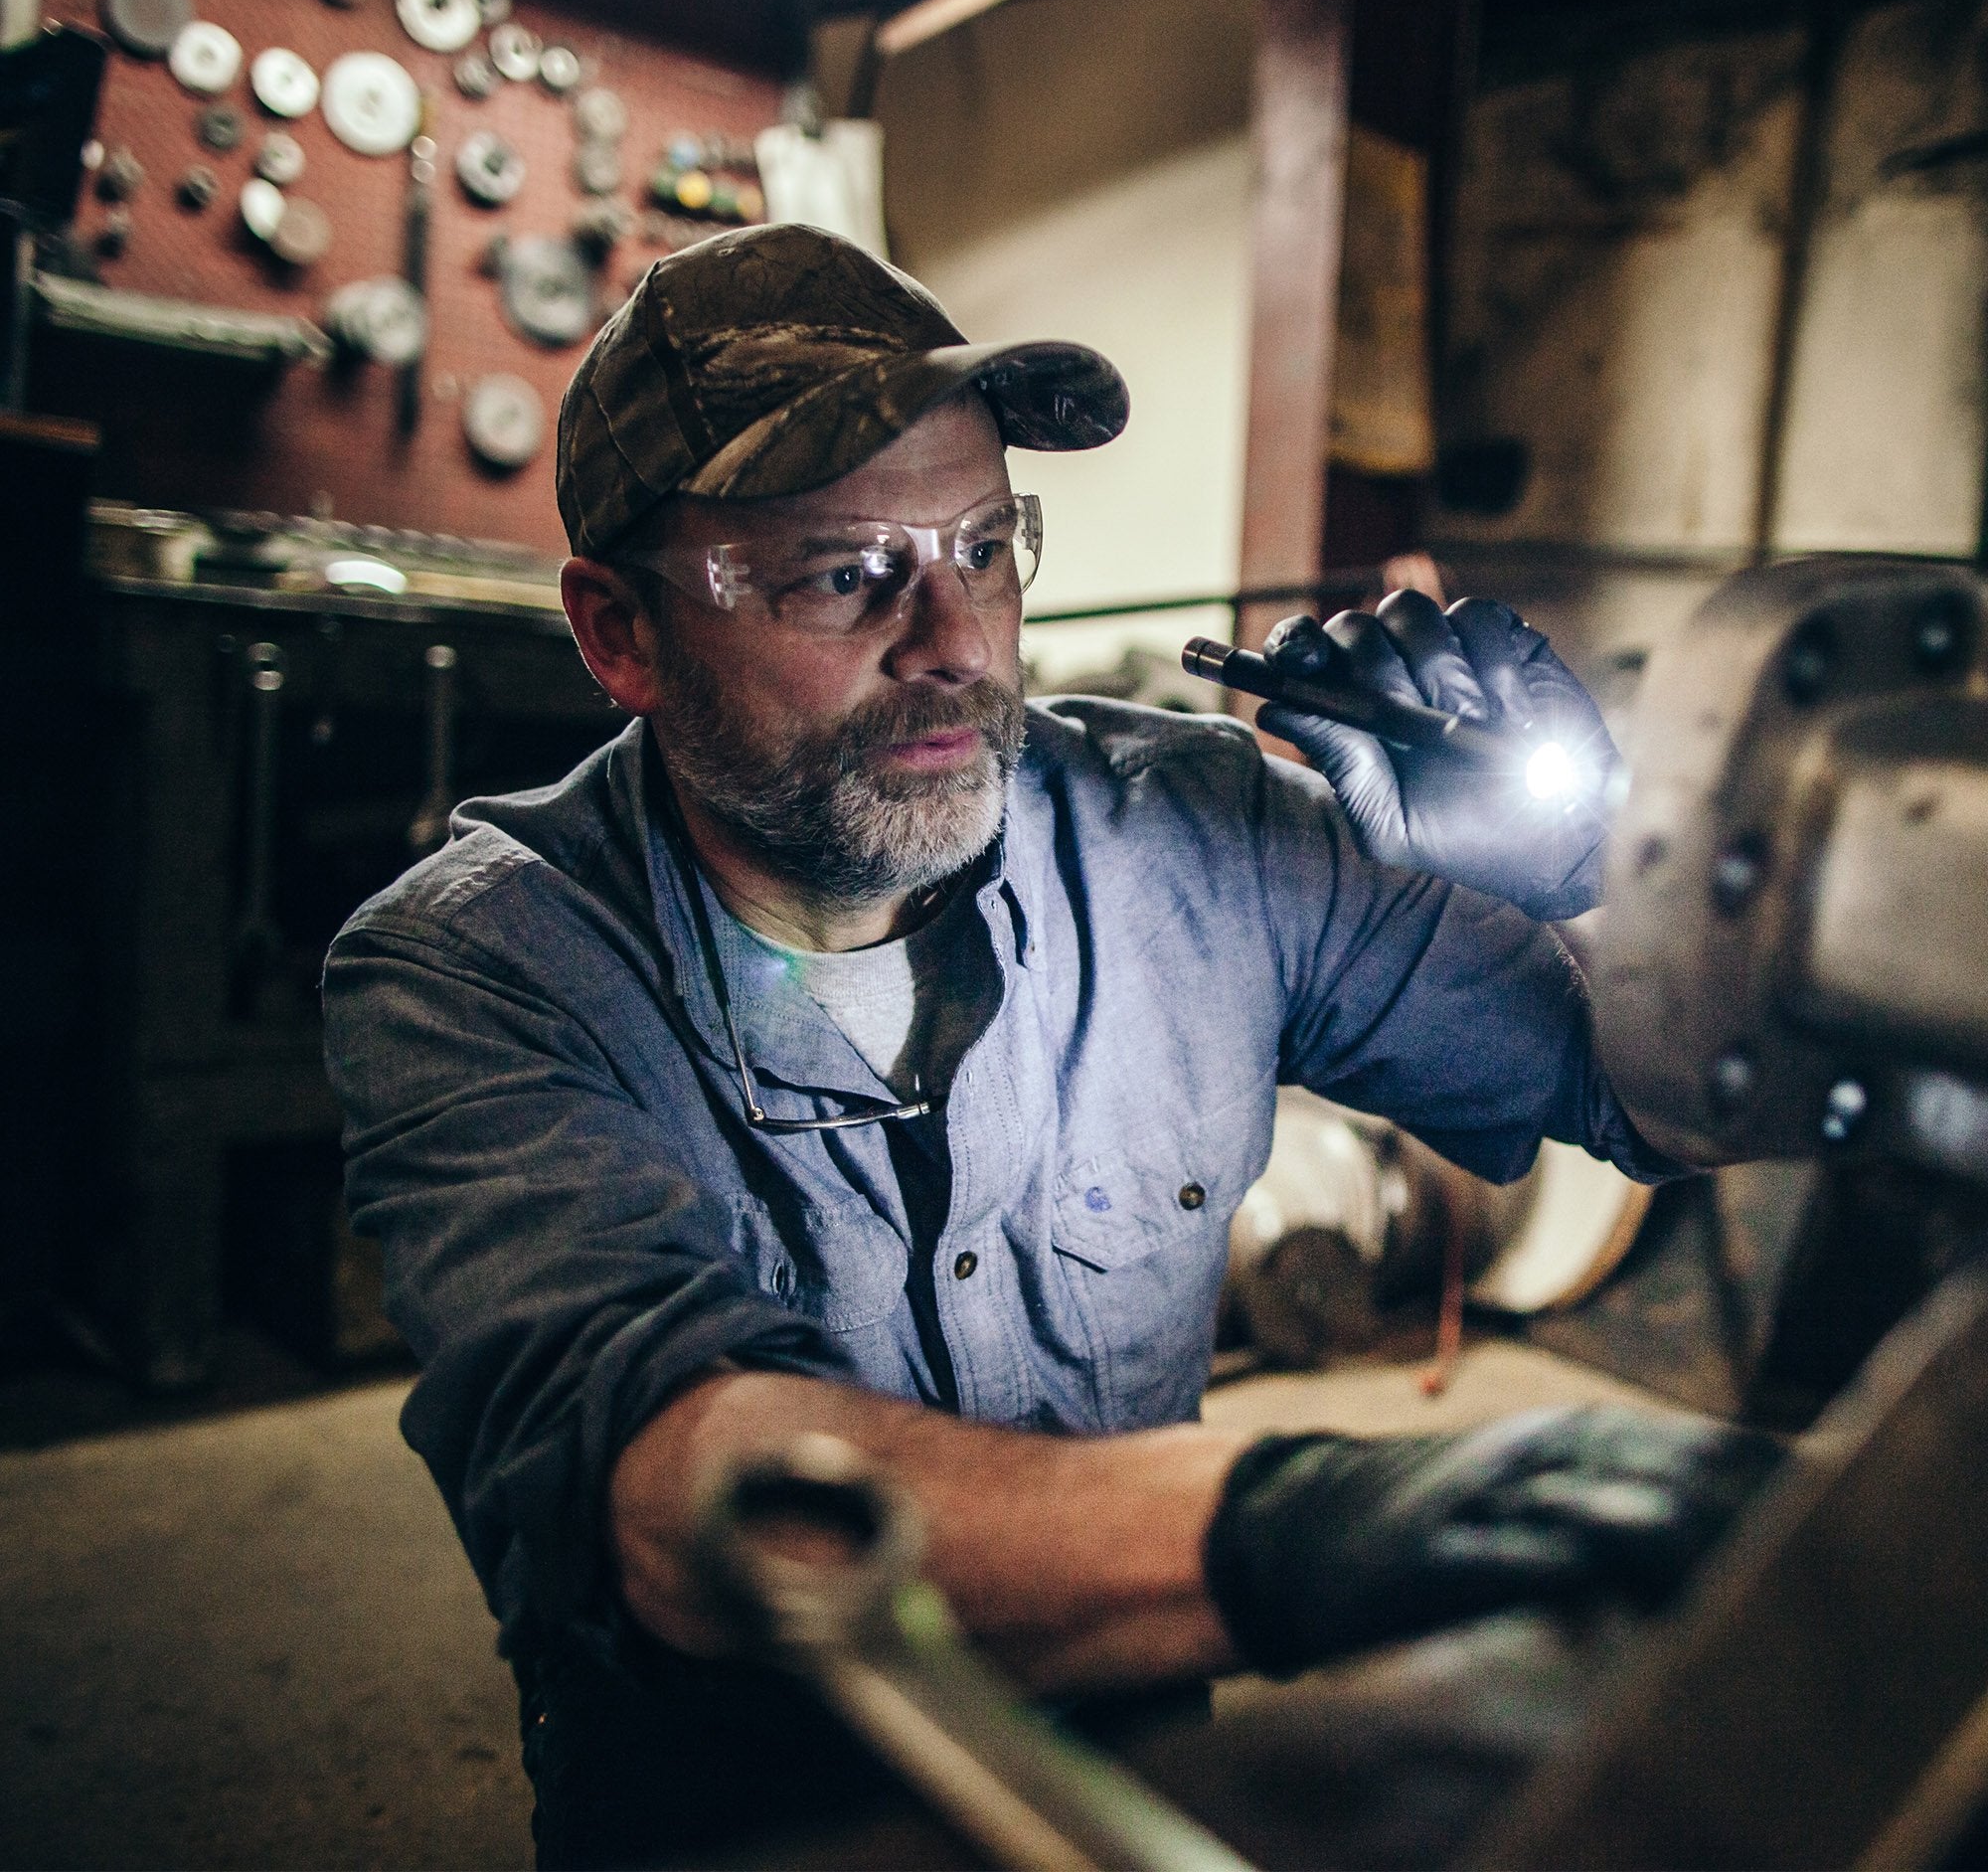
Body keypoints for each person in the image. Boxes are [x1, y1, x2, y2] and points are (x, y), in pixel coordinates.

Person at [322, 223, 1777, 1868]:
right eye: (842, 573)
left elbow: (1671, 1101)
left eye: (982, 547)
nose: (952, 639)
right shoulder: (478, 968)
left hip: (1149, 1799)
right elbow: (673, 1497)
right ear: (621, 636)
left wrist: (1596, 873)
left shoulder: (1201, 836)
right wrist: (1303, 1528)